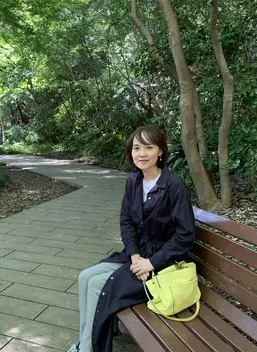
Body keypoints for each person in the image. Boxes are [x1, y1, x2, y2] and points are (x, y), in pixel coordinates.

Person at [68, 125, 195, 352]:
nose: (142, 153)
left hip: (164, 266)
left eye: (149, 147)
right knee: (86, 276)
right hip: (138, 256)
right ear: (131, 152)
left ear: (160, 152)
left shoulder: (174, 186)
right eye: (137, 148)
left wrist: (151, 262)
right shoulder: (133, 182)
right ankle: (84, 342)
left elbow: (185, 236)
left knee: (99, 284)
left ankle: (87, 348)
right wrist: (136, 256)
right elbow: (126, 223)